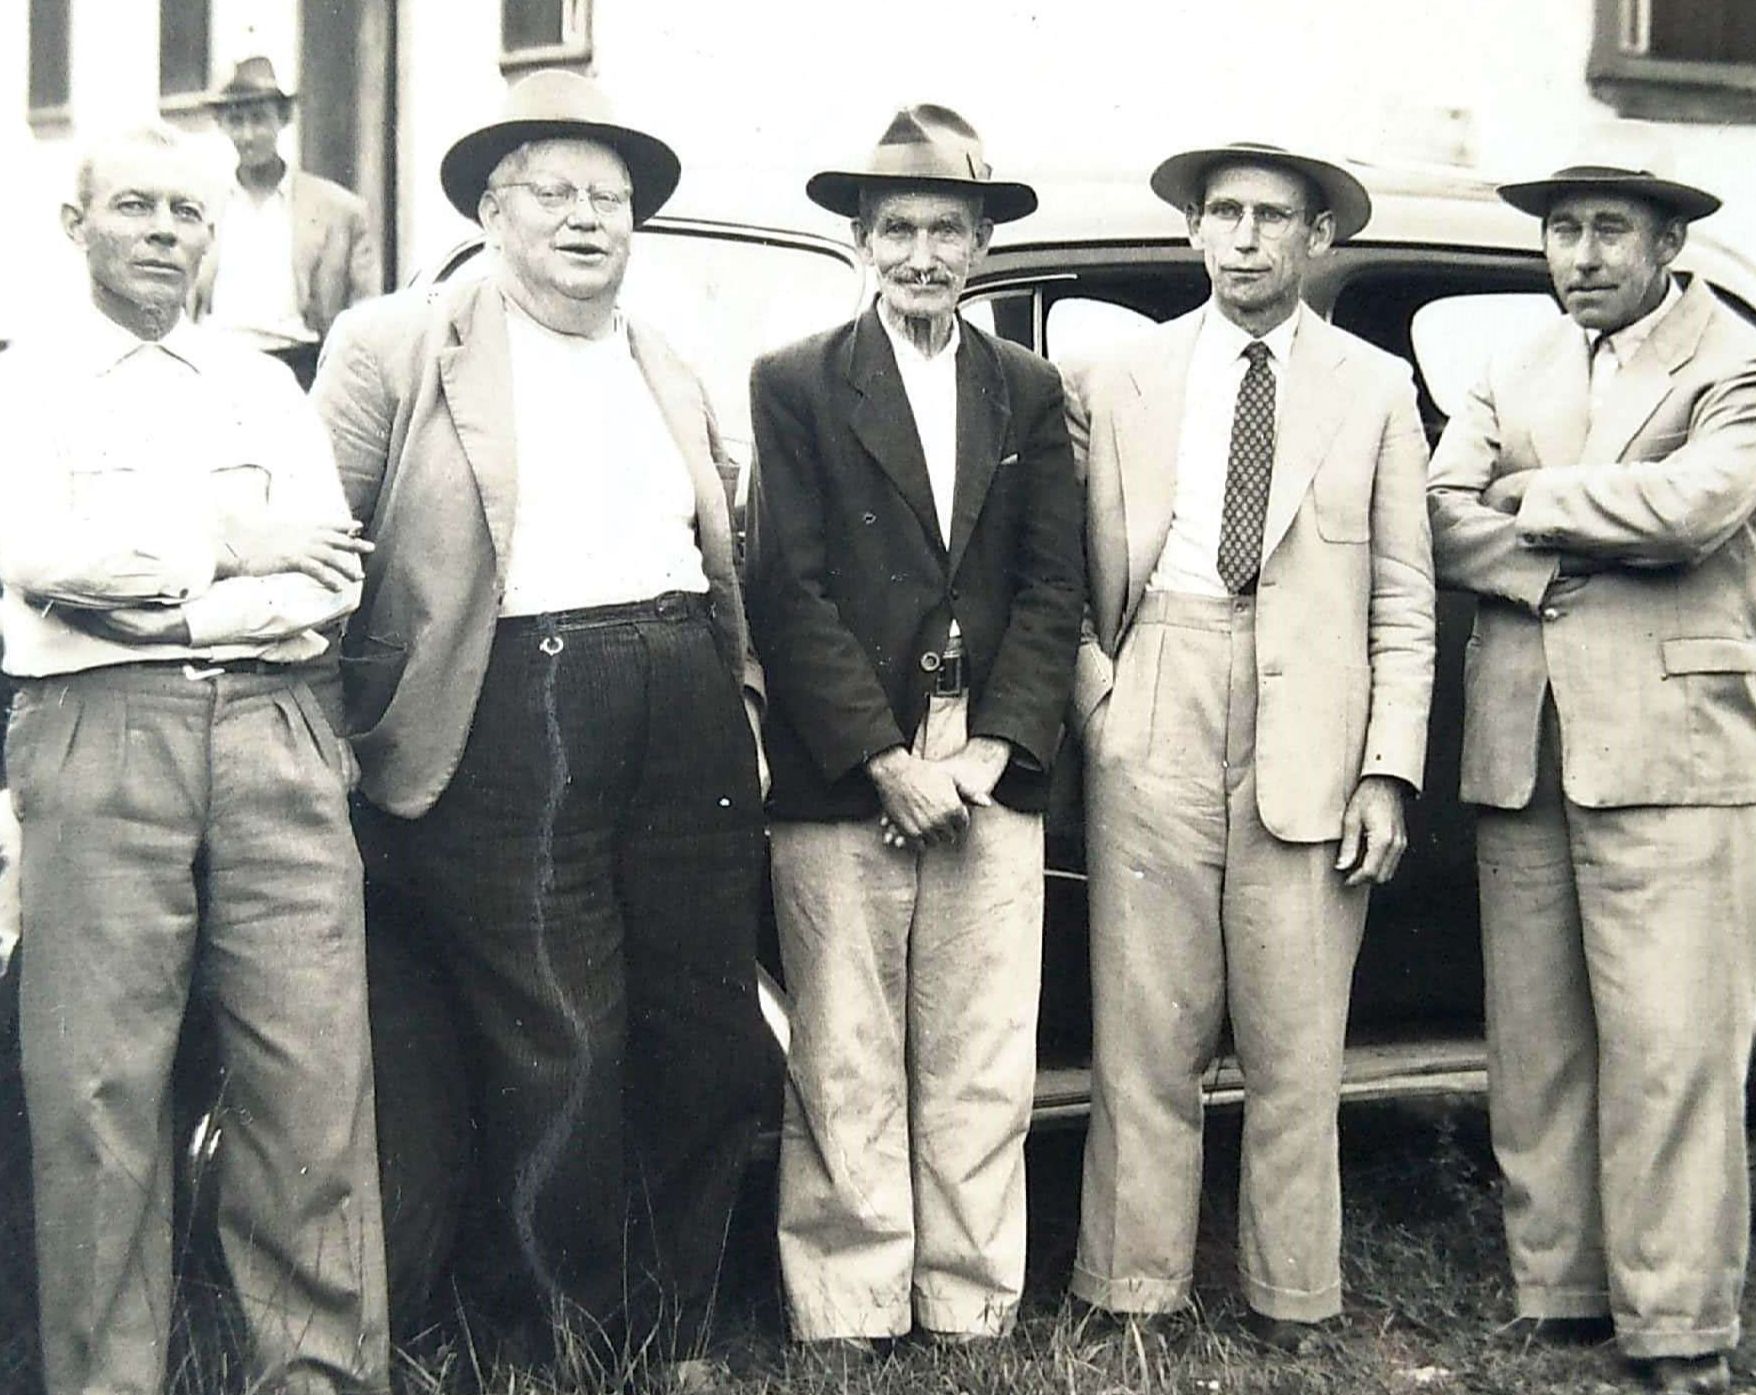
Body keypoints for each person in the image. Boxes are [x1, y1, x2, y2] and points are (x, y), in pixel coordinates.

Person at [311, 70, 771, 1369]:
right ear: (494, 214)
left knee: (704, 1024)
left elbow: (716, 545)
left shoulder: (662, 357)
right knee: (561, 1031)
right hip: (511, 706)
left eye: (609, 198)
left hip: (678, 690)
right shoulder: (395, 345)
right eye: (553, 193)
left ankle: (669, 1320)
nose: (586, 219)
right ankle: (554, 1340)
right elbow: (316, 546)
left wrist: (734, 699)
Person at [0, 124, 386, 1395]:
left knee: (310, 1072)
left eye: (188, 212)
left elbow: (326, 576)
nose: (166, 231)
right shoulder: (26, 385)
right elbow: (44, 566)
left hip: (278, 729)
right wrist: (230, 532)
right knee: (101, 1093)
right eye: (135, 206)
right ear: (79, 227)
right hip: (100, 736)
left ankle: (317, 1375)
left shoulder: (262, 383)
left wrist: (176, 593)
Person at [1066, 141, 1435, 1349]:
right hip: (1157, 692)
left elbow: (1402, 603)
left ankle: (1291, 1297)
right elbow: (1062, 580)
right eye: (1220, 212)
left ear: (1317, 239)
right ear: (1190, 232)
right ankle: (1130, 1289)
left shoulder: (1374, 388)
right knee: (1144, 1025)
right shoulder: (1115, 378)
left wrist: (1386, 765)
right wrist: (1103, 706)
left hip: (1314, 727)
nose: (1242, 237)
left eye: (1272, 216)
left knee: (1294, 1038)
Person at [743, 105, 1084, 1348]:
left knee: (983, 1048)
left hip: (990, 774)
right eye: (899, 230)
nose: (924, 254)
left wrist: (992, 749)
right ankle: (850, 1302)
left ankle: (968, 1299)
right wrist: (884, 757)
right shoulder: (793, 384)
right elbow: (791, 588)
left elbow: (1054, 586)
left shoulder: (1030, 391)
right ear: (859, 241)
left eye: (949, 228)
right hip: (849, 780)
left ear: (984, 245)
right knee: (841, 1051)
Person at [1427, 163, 1756, 1395]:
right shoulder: (1517, 366)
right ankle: (1559, 1292)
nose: (1580, 255)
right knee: (1538, 1043)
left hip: (1674, 754)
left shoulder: (1732, 359)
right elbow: (1437, 514)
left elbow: (1699, 507)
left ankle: (1677, 1327)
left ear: (1669, 241)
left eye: (1608, 231)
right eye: (1561, 233)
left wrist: (1535, 500)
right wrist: (1547, 554)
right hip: (1526, 753)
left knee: (1674, 1049)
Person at [193, 55, 380, 387]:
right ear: (222, 124)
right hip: (216, 367)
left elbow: (365, 312)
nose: (248, 135)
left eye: (259, 119)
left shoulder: (339, 209)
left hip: (300, 368)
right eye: (236, 121)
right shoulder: (201, 205)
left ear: (284, 118)